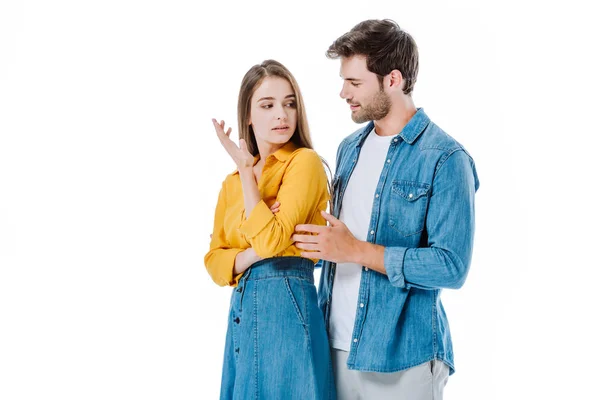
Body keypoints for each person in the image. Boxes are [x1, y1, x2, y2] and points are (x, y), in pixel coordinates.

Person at [292, 19, 480, 399]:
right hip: (335, 348)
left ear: (393, 80)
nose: (343, 92)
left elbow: (451, 266)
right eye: (344, 80)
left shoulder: (445, 158)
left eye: (355, 82)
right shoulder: (349, 148)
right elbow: (335, 242)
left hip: (403, 361)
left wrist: (356, 251)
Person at [204, 59, 335, 400]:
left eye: (290, 103)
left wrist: (249, 174)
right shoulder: (231, 185)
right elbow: (215, 263)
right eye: (268, 105)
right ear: (248, 115)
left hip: (286, 303)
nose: (282, 115)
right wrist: (251, 251)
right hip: (242, 310)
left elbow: (274, 240)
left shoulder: (303, 162)